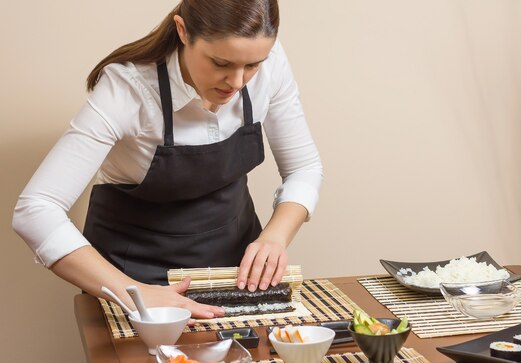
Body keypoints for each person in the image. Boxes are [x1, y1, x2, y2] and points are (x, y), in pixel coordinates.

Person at [12, 0, 322, 320]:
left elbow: (304, 167)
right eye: (220, 63)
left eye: (253, 65)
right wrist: (132, 292)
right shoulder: (127, 88)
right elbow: (35, 210)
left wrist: (275, 236)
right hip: (135, 278)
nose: (238, 81)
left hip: (234, 273)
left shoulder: (267, 63)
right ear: (183, 31)